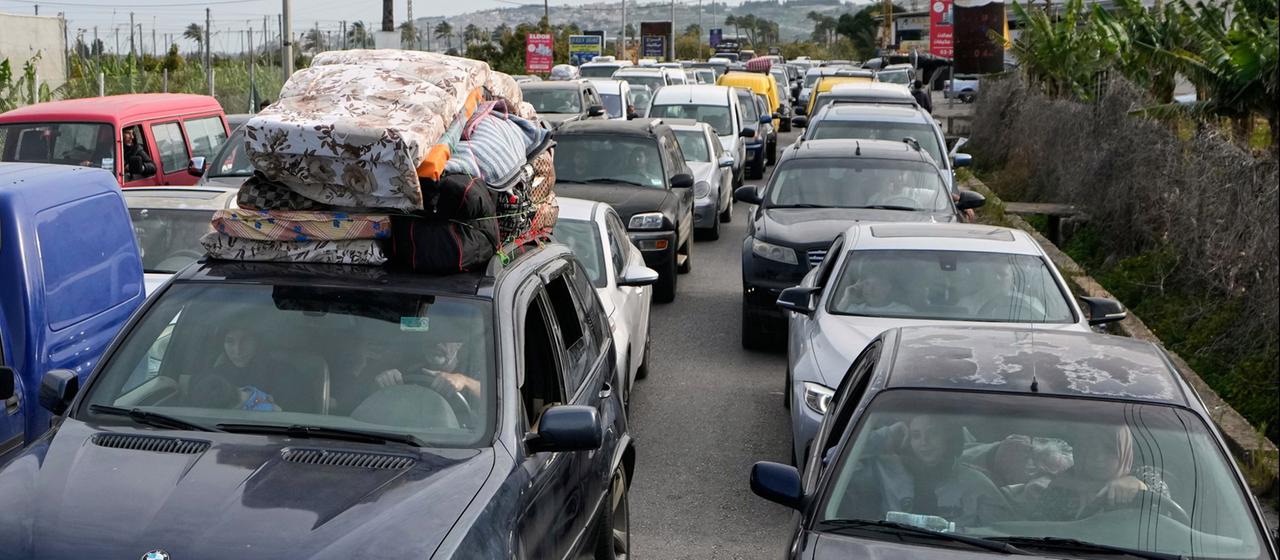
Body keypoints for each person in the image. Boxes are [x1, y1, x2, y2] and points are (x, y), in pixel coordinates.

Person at [841, 414, 1013, 528]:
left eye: (932, 433)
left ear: (949, 437)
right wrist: (886, 434)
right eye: (916, 435)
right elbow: (832, 459)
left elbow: (1003, 533)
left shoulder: (975, 483)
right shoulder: (886, 470)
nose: (924, 442)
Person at [1012, 424, 1172, 521]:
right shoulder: (1062, 486)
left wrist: (1137, 485)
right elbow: (1039, 534)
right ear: (1079, 450)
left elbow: (1165, 512)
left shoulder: (1145, 475)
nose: (1098, 457)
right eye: (1088, 446)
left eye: (1110, 449)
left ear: (1124, 451)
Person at [836, 274, 913, 315]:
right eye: (867, 284)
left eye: (877, 285)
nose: (870, 289)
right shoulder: (852, 310)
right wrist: (846, 298)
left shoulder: (904, 311)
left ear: (887, 288)